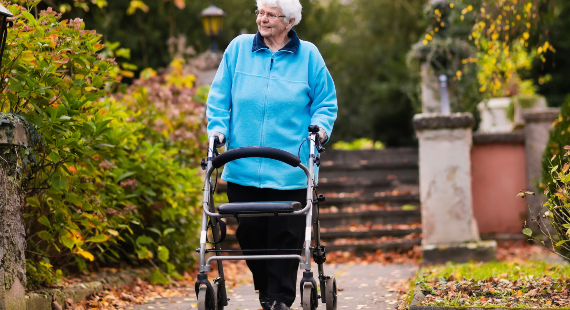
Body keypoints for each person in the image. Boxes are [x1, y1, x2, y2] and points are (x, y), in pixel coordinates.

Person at [206, 0, 338, 309]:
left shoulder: (309, 57)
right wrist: (217, 129)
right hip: (243, 164)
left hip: (291, 168)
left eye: (270, 15)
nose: (262, 19)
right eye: (260, 13)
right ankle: (267, 291)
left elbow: (326, 101)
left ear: (289, 21)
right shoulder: (238, 49)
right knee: (250, 234)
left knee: (285, 238)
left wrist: (319, 127)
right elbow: (218, 97)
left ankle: (280, 299)